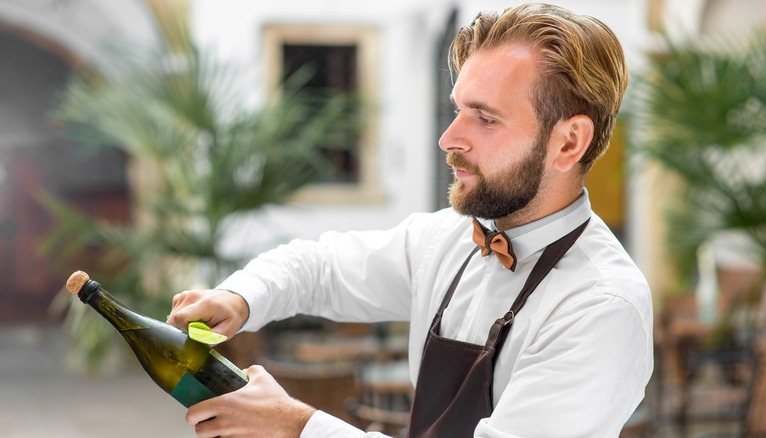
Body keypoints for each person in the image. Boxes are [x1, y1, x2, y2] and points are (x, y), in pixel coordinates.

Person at [167, 3, 653, 437]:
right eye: (457, 109)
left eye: (484, 119)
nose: (448, 138)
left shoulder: (603, 306)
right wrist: (240, 297)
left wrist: (297, 427)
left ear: (568, 142)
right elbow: (319, 267)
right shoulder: (445, 240)